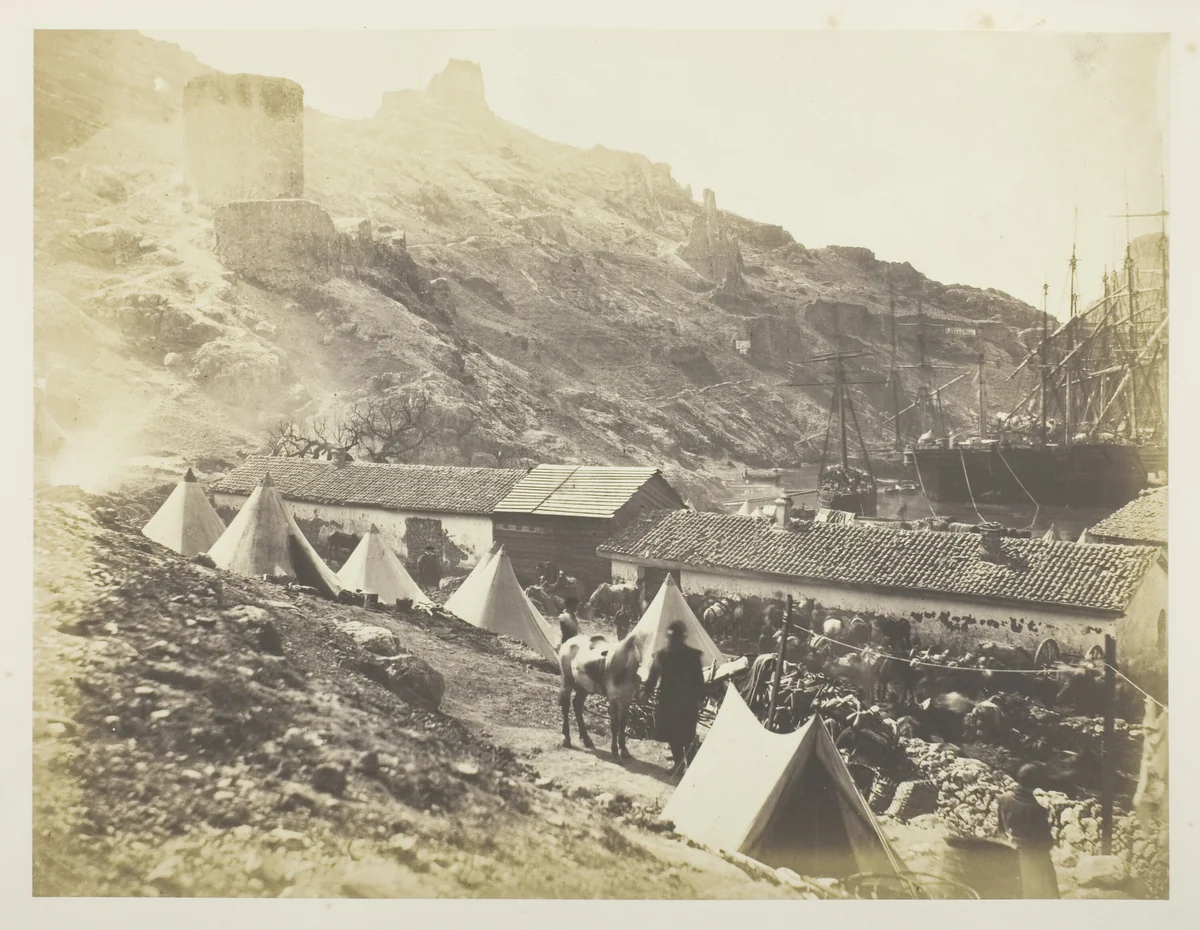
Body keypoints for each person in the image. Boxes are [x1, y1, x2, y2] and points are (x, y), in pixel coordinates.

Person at [643, 620, 706, 769]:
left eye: (676, 638)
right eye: (671, 637)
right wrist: (646, 692)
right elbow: (653, 676)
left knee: (687, 735)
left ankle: (691, 766)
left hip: (687, 703)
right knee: (672, 734)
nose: (673, 641)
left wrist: (699, 699)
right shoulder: (662, 656)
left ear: (682, 638)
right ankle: (678, 764)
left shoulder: (692, 656)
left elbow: (699, 680)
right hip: (668, 702)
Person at [997, 763, 1060, 899]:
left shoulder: (1004, 799)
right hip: (1032, 860)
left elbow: (1001, 830)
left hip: (1011, 854)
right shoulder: (1036, 809)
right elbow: (1047, 843)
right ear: (1036, 784)